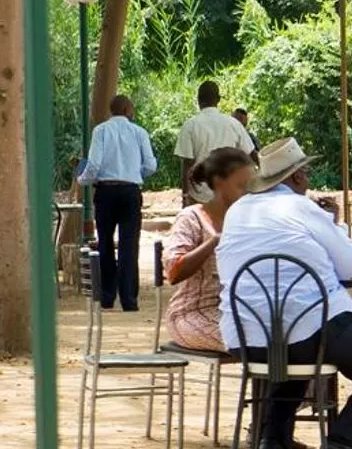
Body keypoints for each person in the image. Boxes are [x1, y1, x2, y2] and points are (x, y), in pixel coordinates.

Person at [216, 137, 352, 449]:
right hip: (308, 332)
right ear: (297, 177)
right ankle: (349, 440)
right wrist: (332, 224)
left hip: (245, 337)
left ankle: (272, 441)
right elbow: (351, 266)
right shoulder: (302, 207)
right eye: (307, 173)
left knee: (297, 341)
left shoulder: (237, 211)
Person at [161, 147, 257, 353]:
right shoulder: (192, 218)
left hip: (239, 312)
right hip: (192, 314)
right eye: (242, 186)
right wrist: (215, 241)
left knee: (288, 337)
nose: (249, 193)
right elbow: (174, 271)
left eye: (253, 187)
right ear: (219, 183)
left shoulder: (250, 219)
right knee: (258, 344)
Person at [81, 93, 157, 312]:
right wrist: (135, 173)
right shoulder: (140, 132)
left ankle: (106, 296)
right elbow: (151, 165)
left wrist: (83, 179)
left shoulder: (101, 131)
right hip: (131, 192)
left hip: (105, 192)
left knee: (104, 242)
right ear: (128, 111)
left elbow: (94, 165)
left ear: (111, 111)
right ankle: (129, 299)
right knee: (129, 245)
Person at [175, 81, 253, 204]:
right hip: (230, 194)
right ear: (218, 100)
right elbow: (250, 155)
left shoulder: (190, 126)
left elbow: (187, 164)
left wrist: (185, 196)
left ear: (198, 100)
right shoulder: (234, 124)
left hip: (200, 196)